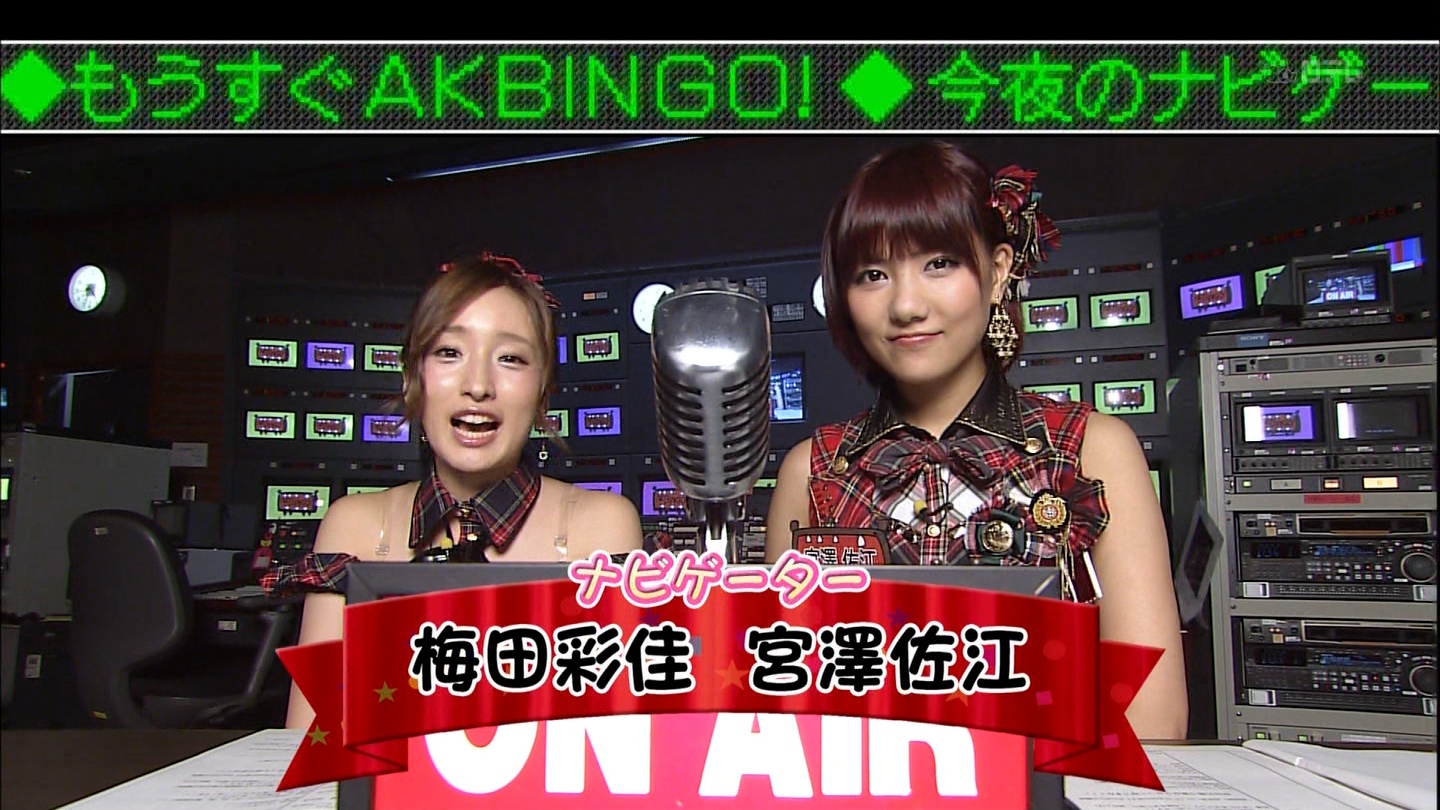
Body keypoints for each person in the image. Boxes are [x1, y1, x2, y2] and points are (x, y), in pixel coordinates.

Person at [765, 141, 1188, 740]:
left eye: (938, 263)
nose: (906, 305)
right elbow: (784, 704)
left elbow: (1153, 720)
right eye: (873, 275)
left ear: (997, 271)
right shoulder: (814, 470)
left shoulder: (1091, 450)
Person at [265, 253, 642, 729]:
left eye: (510, 358)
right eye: (448, 352)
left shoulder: (601, 524)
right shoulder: (354, 525)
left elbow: (614, 741)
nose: (478, 385)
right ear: (414, 375)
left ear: (543, 389)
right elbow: (311, 739)